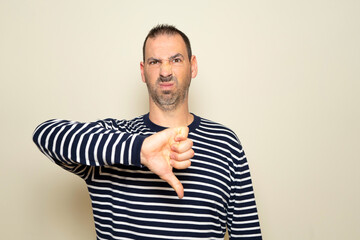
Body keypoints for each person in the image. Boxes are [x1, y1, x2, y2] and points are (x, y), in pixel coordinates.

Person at [33, 24, 262, 240]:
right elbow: (44, 134)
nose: (165, 71)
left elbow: (248, 235)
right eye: (154, 62)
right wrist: (140, 151)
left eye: (176, 59)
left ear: (193, 66)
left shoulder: (226, 144)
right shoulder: (114, 138)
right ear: (143, 71)